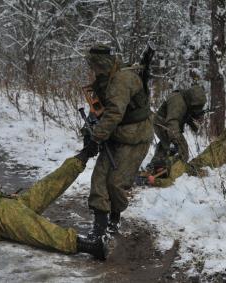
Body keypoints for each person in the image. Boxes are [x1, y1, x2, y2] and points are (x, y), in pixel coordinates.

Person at [82, 44, 153, 238]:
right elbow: (99, 109)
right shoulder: (106, 79)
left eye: (93, 64)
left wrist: (97, 137)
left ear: (101, 63)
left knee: (115, 183)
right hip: (115, 135)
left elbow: (113, 113)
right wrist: (89, 131)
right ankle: (99, 225)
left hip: (135, 137)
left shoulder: (122, 80)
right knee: (99, 178)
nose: (92, 69)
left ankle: (114, 217)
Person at [145, 84, 207, 175]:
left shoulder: (186, 99)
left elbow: (186, 114)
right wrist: (176, 139)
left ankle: (159, 166)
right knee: (179, 149)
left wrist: (196, 117)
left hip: (168, 124)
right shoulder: (178, 102)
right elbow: (172, 122)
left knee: (166, 145)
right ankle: (163, 168)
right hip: (163, 124)